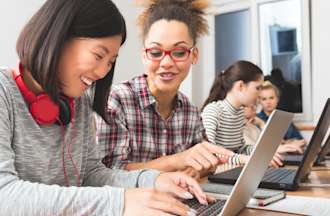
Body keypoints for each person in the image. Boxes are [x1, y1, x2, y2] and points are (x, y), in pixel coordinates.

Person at [0, 1, 212, 215]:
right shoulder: (3, 92)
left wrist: (154, 180)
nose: (102, 72)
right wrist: (120, 202)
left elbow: (92, 174)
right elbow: (4, 195)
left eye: (110, 62)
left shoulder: (77, 100)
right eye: (99, 55)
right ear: (58, 38)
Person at [96, 0, 234, 177]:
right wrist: (177, 161)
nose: (167, 62)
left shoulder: (189, 111)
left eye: (179, 52)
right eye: (155, 52)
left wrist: (196, 169)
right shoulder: (117, 100)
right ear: (144, 56)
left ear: (194, 55)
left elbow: (206, 162)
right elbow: (108, 174)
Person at [201, 60, 283, 167]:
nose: (259, 95)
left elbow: (240, 148)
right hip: (214, 173)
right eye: (257, 88)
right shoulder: (213, 110)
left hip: (231, 170)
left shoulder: (239, 113)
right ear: (240, 86)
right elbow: (210, 152)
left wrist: (263, 154)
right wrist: (244, 159)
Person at [258, 81, 306, 147]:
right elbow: (264, 145)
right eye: (264, 99)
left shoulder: (284, 118)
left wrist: (289, 142)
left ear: (277, 99)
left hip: (290, 153)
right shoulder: (257, 120)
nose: (268, 102)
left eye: (271, 98)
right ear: (259, 101)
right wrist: (286, 143)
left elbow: (300, 140)